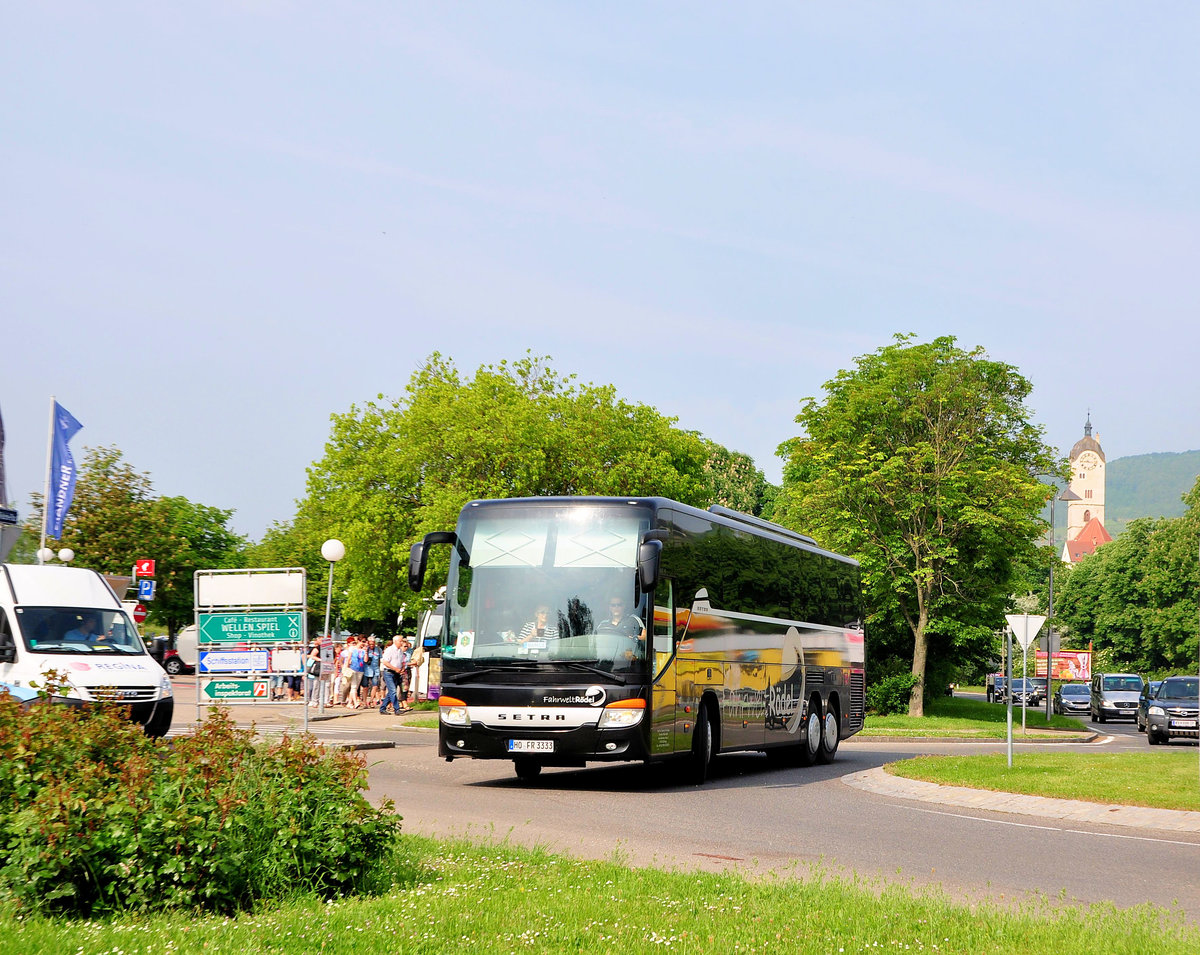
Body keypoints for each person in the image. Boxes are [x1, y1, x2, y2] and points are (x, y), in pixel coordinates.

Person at [597, 595, 646, 660]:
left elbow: (645, 637)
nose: (616, 607)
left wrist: (635, 638)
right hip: (604, 660)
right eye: (613, 605)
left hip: (628, 661)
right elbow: (595, 643)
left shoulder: (634, 619)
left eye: (619, 605)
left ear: (624, 606)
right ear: (609, 607)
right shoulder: (603, 624)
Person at [379, 634, 409, 715]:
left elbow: (401, 661)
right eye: (400, 641)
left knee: (391, 693)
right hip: (389, 672)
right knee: (393, 691)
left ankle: (382, 708)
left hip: (397, 673)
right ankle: (397, 709)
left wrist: (402, 668)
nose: (402, 642)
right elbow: (385, 662)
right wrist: (395, 668)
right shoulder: (390, 650)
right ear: (395, 641)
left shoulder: (400, 651)